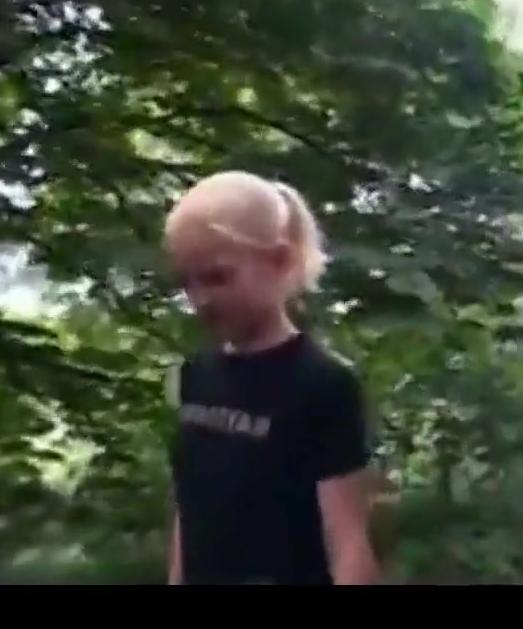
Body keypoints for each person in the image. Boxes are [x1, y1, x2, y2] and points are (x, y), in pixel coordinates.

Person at [162, 170, 379, 585]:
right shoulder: (196, 375)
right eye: (187, 282)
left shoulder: (321, 383)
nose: (200, 299)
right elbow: (188, 513)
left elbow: (348, 543)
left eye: (217, 277)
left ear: (280, 261)